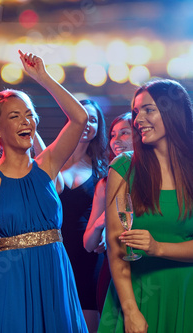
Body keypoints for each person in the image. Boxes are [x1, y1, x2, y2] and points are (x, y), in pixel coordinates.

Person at [0, 51, 88, 332]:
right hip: (12, 281)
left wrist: (43, 78)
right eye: (15, 116)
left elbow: (79, 118)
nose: (26, 122)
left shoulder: (47, 164)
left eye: (30, 115)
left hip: (54, 275)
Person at [99, 79, 193, 333]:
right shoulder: (124, 167)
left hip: (186, 295)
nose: (138, 119)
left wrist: (158, 247)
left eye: (148, 110)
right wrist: (130, 312)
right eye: (135, 112)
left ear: (174, 111)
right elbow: (115, 245)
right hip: (136, 296)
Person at [58, 99, 108, 331]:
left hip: (88, 252)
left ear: (99, 128)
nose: (88, 123)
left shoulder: (103, 169)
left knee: (88, 319)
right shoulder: (51, 160)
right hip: (56, 248)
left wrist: (105, 232)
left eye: (94, 119)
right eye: (83, 117)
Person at [83, 112, 133, 314]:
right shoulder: (105, 183)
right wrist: (101, 224)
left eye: (124, 133)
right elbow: (88, 244)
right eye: (113, 134)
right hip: (114, 270)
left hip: (149, 267)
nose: (116, 140)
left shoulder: (157, 177)